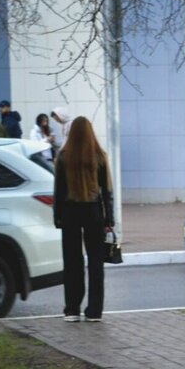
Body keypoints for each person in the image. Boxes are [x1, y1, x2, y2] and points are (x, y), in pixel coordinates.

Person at [53, 117, 114, 322]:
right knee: (96, 262)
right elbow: (107, 191)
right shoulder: (99, 156)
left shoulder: (63, 157)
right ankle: (94, 311)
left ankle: (72, 309)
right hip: (94, 212)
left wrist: (57, 217)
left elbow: (59, 191)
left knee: (72, 261)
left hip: (70, 212)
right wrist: (109, 219)